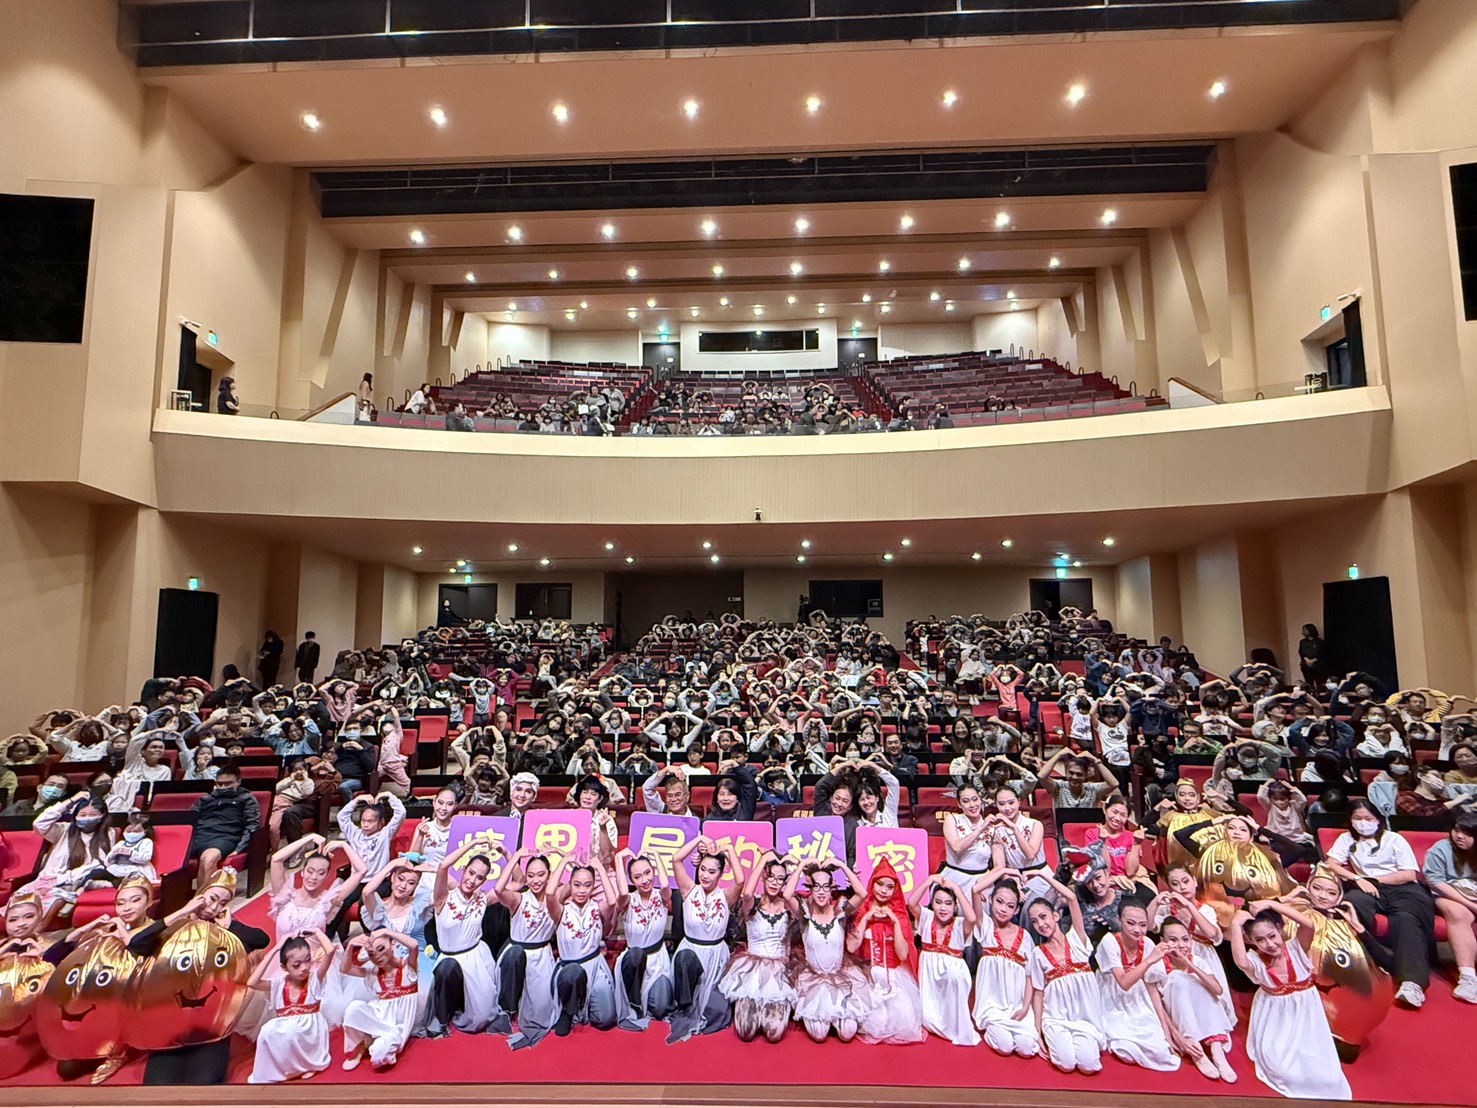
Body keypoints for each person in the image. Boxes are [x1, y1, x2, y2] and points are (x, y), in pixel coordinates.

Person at [1323, 798, 1436, 1008]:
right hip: (1366, 887)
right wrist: (1357, 879)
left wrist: (1373, 880)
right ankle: (1357, 963)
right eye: (1357, 818)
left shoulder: (1394, 839)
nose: (1363, 823)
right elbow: (1331, 864)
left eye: (1368, 818)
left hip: (1401, 888)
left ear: (1378, 819)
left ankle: (1412, 983)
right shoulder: (1347, 838)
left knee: (1405, 919)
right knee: (1351, 903)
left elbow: (1408, 874)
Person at [1229, 907, 1352, 1100]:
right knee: (1288, 1073)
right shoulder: (1256, 961)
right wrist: (1236, 925)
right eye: (1260, 940)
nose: (1269, 944)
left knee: (1327, 1076)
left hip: (1306, 1016)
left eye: (1272, 936)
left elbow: (1308, 924)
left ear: (1280, 929)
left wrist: (1271, 904)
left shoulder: (1296, 948)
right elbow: (1241, 963)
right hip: (1277, 1018)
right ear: (1252, 941)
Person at [514, 855, 620, 1045]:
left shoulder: (597, 909)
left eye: (587, 885)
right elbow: (549, 894)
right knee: (573, 973)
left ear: (593, 886)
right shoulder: (561, 910)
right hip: (569, 971)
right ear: (570, 885)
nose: (581, 890)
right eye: (577, 885)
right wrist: (564, 862)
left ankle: (584, 1002)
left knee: (606, 1019)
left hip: (594, 967)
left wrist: (599, 868)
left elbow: (613, 902)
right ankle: (568, 1010)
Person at [1021, 872, 1105, 1074]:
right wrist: (1037, 1030)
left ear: (1055, 916)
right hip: (1056, 1017)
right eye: (1034, 921)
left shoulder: (1076, 939)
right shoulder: (1038, 953)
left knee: (1088, 1066)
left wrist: (1043, 876)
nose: (1041, 924)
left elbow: (1072, 898)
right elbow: (1039, 993)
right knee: (1065, 1064)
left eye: (1043, 917)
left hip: (1084, 1017)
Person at [667, 835, 744, 1043]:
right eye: (703, 869)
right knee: (685, 962)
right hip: (691, 952)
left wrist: (729, 849)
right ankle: (684, 1004)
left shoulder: (725, 897)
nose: (706, 875)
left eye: (712, 871)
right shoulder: (689, 890)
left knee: (715, 1011)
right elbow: (676, 859)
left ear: (720, 874)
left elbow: (740, 881)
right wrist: (699, 838)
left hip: (715, 956)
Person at [425, 838, 505, 1037]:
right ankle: (442, 1017)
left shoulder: (483, 899)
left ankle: (462, 1005)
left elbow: (518, 882)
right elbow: (443, 866)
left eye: (479, 877)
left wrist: (507, 854)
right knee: (446, 969)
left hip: (475, 959)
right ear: (463, 870)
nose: (472, 880)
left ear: (483, 881)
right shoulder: (444, 897)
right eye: (470, 872)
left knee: (481, 1019)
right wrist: (474, 843)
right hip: (449, 958)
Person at [716, 852, 797, 1043]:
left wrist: (798, 866)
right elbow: (746, 893)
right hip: (751, 970)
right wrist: (764, 859)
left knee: (774, 1033)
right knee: (746, 1031)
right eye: (770, 877)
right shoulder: (752, 904)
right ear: (763, 877)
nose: (774, 882)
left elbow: (792, 898)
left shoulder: (788, 906)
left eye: (780, 879)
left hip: (779, 972)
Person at [847, 858, 926, 1045]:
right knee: (871, 1022)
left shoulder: (899, 915)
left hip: (894, 976)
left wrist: (895, 923)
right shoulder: (862, 910)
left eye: (889, 887)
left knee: (901, 1023)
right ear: (872, 884)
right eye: (880, 884)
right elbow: (851, 947)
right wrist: (866, 918)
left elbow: (903, 955)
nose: (884, 890)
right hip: (867, 976)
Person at [1095, 900, 1181, 1073]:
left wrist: (1166, 1033)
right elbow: (1124, 983)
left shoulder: (1148, 944)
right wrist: (1150, 960)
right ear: (1119, 921)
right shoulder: (1109, 941)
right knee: (1125, 1049)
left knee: (1161, 1052)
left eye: (1142, 925)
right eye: (1131, 923)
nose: (1137, 930)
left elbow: (1152, 988)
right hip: (1113, 997)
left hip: (1138, 999)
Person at [246, 930, 335, 1084]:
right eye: (296, 965)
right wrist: (276, 949)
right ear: (285, 967)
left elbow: (330, 951)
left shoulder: (315, 978)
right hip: (286, 1025)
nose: (304, 968)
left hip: (309, 1029)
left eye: (307, 960)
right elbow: (252, 982)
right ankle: (279, 1069)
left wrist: (316, 931)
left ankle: (307, 1064)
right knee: (266, 1031)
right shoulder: (278, 983)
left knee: (291, 1032)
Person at [1156, 918, 1237, 1082]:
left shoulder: (1198, 960)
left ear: (1191, 941)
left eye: (1185, 939)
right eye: (1173, 940)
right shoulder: (1158, 965)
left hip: (1201, 1010)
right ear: (1163, 941)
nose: (1180, 945)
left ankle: (1217, 1051)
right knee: (1178, 977)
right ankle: (1197, 1052)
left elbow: (1217, 990)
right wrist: (1176, 1035)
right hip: (1178, 1015)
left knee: (1204, 985)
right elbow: (1159, 1006)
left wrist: (1189, 964)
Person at [970, 871, 1039, 1057]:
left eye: (1010, 906)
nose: (1003, 909)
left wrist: (1025, 1007)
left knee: (1027, 1049)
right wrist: (1004, 870)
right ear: (991, 900)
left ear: (1016, 910)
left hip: (1017, 1004)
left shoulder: (1025, 936)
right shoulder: (985, 926)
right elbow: (975, 890)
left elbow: (1029, 975)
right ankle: (992, 1026)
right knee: (1005, 1046)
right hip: (992, 1004)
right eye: (999, 902)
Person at [908, 873, 979, 1046]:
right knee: (927, 1017)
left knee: (954, 982)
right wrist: (929, 881)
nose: (943, 908)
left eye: (948, 903)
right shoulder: (926, 917)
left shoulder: (960, 924)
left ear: (955, 906)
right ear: (932, 903)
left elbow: (972, 918)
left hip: (953, 977)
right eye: (938, 902)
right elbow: (911, 903)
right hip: (930, 976)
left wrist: (957, 889)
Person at [494, 847, 559, 1036]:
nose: (535, 880)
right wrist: (514, 856)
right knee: (515, 955)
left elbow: (574, 880)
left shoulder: (555, 897)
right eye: (530, 875)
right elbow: (498, 889)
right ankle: (507, 1010)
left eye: (541, 875)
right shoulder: (518, 899)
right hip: (515, 952)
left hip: (542, 955)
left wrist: (562, 855)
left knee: (542, 1011)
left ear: (549, 875)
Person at [339, 928, 421, 1070]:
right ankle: (357, 1049)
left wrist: (387, 932)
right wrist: (351, 945)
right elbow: (345, 969)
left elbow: (413, 945)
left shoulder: (407, 965)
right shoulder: (373, 972)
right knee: (353, 1008)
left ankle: (372, 1040)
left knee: (379, 1057)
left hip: (396, 1028)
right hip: (379, 1016)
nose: (377, 956)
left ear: (393, 945)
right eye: (372, 954)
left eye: (381, 949)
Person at [611, 848, 674, 1028]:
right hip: (634, 959)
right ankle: (633, 1002)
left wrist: (656, 855)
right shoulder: (628, 900)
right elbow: (623, 892)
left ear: (653, 872)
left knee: (661, 1008)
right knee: (636, 954)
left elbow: (665, 885)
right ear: (631, 880)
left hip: (657, 959)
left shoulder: (661, 897)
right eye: (637, 877)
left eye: (648, 873)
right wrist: (619, 857)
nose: (644, 880)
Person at [1421, 812, 1477, 1002]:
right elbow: (1435, 881)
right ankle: (1468, 978)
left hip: (1473, 892)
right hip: (1445, 893)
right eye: (1456, 830)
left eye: (1467, 833)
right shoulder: (1441, 849)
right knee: (1459, 913)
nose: (1459, 836)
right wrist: (1470, 905)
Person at [185, 763, 258, 890]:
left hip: (224, 837)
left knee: (208, 859)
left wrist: (239, 849)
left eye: (228, 784)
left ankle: (202, 898)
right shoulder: (205, 800)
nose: (223, 787)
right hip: (199, 836)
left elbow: (252, 825)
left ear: (238, 782)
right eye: (220, 784)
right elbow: (189, 821)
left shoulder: (247, 799)